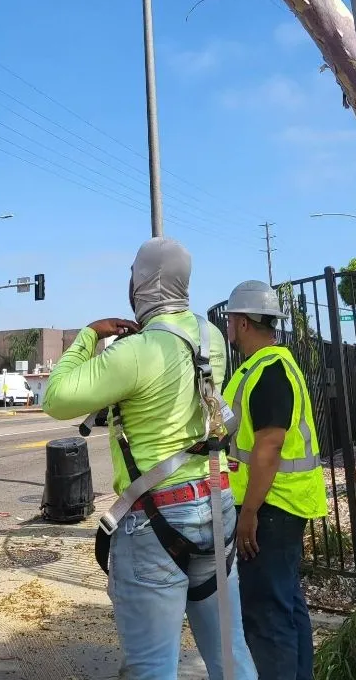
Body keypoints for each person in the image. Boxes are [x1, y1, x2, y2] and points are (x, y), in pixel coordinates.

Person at [44, 238, 256, 680]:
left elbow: (57, 397)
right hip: (215, 507)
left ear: (141, 282)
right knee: (231, 656)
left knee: (152, 668)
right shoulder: (211, 336)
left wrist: (90, 335)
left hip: (155, 520)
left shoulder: (135, 352)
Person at [222, 281, 328, 680]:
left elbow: (269, 444)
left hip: (271, 508)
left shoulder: (269, 370)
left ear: (244, 322)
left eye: (231, 318)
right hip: (281, 505)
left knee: (267, 616)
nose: (228, 325)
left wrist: (249, 511)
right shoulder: (269, 366)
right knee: (286, 606)